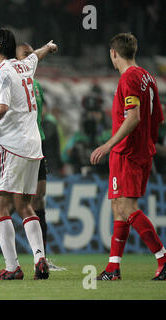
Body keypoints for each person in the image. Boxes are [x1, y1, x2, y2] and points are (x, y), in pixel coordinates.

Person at [0, 28, 57, 280]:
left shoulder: (0, 73)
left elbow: (1, 108)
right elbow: (37, 56)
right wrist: (48, 46)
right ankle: (39, 257)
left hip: (11, 146)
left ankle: (12, 267)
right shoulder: (23, 66)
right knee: (24, 205)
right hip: (34, 147)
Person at [90, 33, 166, 280]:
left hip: (127, 152)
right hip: (141, 151)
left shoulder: (129, 78)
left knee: (126, 207)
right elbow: (159, 119)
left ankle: (163, 259)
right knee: (118, 207)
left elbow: (134, 117)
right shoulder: (148, 77)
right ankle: (113, 268)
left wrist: (108, 145)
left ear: (114, 53)